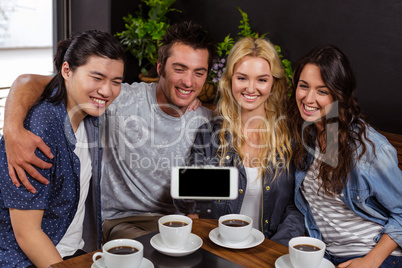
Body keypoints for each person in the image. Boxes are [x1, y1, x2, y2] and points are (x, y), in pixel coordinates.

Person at [2, 21, 216, 243]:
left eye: (198, 73)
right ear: (160, 68)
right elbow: (30, 82)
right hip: (122, 221)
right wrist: (12, 130)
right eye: (179, 69)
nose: (188, 81)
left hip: (176, 222)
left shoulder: (207, 122)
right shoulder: (115, 97)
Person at [0, 30, 125, 268]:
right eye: (96, 78)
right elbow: (27, 235)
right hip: (28, 260)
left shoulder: (90, 112)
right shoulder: (40, 128)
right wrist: (12, 129)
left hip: (73, 249)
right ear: (67, 71)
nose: (107, 91)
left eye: (116, 82)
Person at [176, 37, 305, 246]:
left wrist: (273, 250)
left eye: (262, 80)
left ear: (273, 84)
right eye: (242, 78)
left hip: (269, 249)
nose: (251, 88)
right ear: (230, 81)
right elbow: (189, 204)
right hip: (217, 245)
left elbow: (297, 208)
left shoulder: (290, 138)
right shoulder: (208, 134)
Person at [287, 45, 402, 267]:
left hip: (374, 256)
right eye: (304, 86)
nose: (308, 98)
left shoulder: (366, 148)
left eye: (322, 91)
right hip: (324, 254)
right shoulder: (306, 133)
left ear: (338, 95)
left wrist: (371, 260)